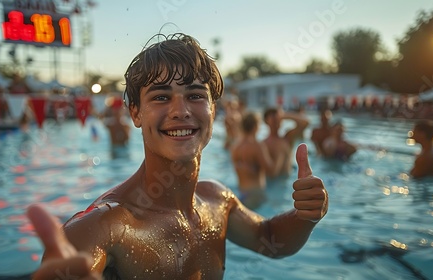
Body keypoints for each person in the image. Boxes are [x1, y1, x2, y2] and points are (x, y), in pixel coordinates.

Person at [27, 33, 328, 279]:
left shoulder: (217, 201)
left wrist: (305, 216)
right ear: (135, 113)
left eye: (196, 95)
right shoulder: (103, 228)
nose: (181, 111)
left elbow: (270, 239)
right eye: (160, 97)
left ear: (214, 110)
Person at [230, 112, 278, 209]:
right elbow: (271, 172)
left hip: (242, 193)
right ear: (255, 126)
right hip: (256, 193)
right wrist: (278, 155)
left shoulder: (235, 147)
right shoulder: (257, 146)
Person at [262, 107, 309, 177]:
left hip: (286, 180)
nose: (276, 121)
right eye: (273, 119)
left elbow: (305, 122)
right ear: (266, 121)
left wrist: (284, 115)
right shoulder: (263, 144)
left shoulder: (287, 138)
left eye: (278, 119)